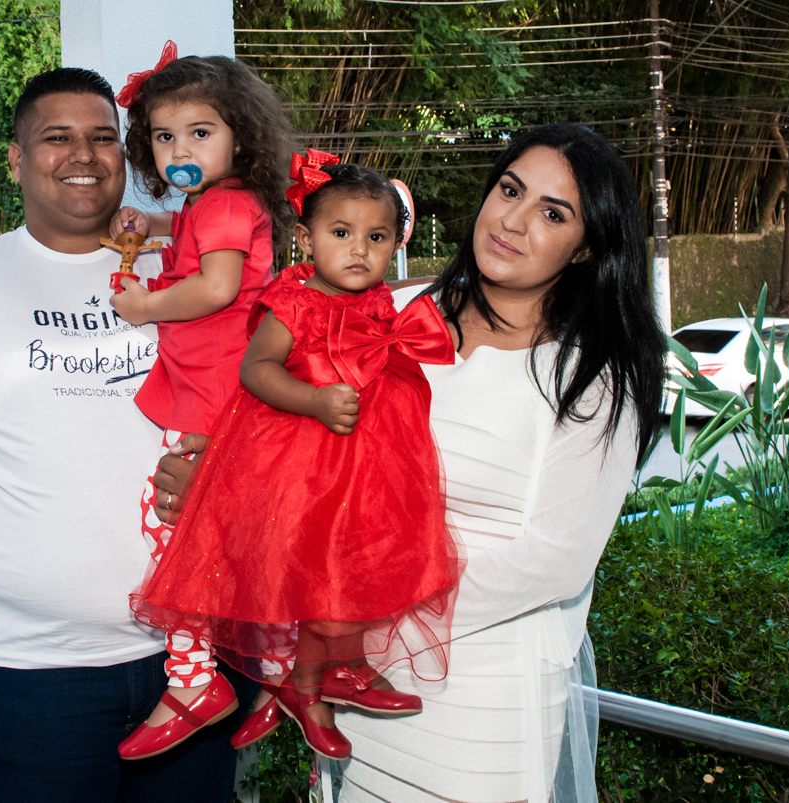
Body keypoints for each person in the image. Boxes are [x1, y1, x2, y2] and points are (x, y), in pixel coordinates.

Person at [153, 124, 667, 802]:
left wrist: (359, 624)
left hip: (481, 700)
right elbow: (300, 448)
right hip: (353, 696)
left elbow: (554, 560)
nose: (513, 219)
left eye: (552, 212)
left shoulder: (592, 377)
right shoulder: (388, 312)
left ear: (587, 247)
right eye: (509, 190)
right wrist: (219, 482)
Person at [0, 68, 255, 803]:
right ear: (14, 158)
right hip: (23, 674)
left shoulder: (192, 266)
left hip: (195, 657)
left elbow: (273, 411)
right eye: (56, 137)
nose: (84, 155)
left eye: (103, 137)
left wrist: (227, 476)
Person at [129, 155, 462, 763]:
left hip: (365, 461)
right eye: (342, 234)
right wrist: (312, 399)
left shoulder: (381, 301)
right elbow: (254, 371)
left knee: (356, 565)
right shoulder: (295, 301)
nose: (359, 249)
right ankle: (302, 693)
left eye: (376, 237)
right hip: (300, 459)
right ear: (307, 240)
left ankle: (342, 672)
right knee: (309, 574)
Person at [101, 48, 294, 760]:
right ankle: (279, 672)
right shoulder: (216, 202)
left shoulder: (219, 203)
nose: (180, 149)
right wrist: (149, 229)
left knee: (175, 530)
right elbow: (207, 254)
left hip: (212, 396)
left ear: (239, 134)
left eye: (199, 133)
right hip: (228, 391)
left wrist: (144, 304)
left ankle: (192, 680)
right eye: (163, 136)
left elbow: (214, 288)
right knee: (245, 542)